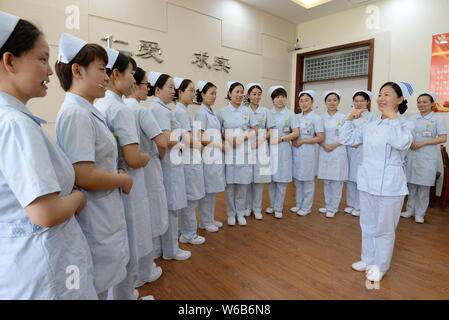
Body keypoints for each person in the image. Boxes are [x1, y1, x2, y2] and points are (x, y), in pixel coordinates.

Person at [0, 13, 96, 300]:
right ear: (10, 61)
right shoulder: (14, 124)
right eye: (42, 60)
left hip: (28, 262)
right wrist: (78, 197)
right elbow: (46, 212)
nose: (50, 71)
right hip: (45, 269)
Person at [54, 34, 130, 299]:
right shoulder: (76, 114)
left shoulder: (87, 110)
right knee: (95, 283)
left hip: (103, 210)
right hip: (94, 215)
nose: (107, 78)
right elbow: (83, 174)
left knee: (103, 280)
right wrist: (122, 179)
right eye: (101, 70)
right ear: (77, 70)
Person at [340, 81, 414, 282]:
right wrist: (349, 119)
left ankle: (380, 266)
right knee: (368, 224)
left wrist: (393, 118)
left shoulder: (406, 124)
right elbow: (348, 140)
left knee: (385, 229)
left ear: (399, 100)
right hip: (367, 181)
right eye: (380, 94)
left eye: (387, 94)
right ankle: (368, 259)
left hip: (390, 185)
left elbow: (401, 143)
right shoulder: (370, 124)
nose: (381, 98)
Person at [94, 53, 153, 300]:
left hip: (112, 188)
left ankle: (122, 294)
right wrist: (147, 156)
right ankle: (126, 296)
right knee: (130, 245)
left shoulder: (100, 104)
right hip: (127, 185)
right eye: (131, 73)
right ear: (116, 74)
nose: (133, 79)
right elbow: (133, 158)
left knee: (119, 249)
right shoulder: (120, 109)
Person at [124, 66, 166, 287]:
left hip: (129, 173)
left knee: (136, 220)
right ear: (135, 85)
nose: (147, 89)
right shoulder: (142, 111)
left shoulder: (121, 108)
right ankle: (146, 270)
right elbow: (161, 142)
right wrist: (159, 157)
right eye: (146, 84)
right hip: (145, 166)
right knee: (148, 216)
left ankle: (138, 271)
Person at [148, 71, 190, 260]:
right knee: (172, 208)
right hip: (169, 164)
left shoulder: (160, 108)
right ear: (157, 89)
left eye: (174, 87)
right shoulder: (160, 109)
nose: (174, 91)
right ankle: (172, 250)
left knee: (169, 207)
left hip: (170, 163)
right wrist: (180, 143)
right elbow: (165, 137)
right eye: (170, 87)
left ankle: (165, 248)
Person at [402, 92, 447, 223]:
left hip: (427, 157)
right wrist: (410, 143)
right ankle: (410, 210)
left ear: (432, 104)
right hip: (412, 155)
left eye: (425, 102)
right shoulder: (412, 119)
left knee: (423, 187)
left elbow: (443, 137)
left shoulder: (437, 119)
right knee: (411, 185)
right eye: (419, 102)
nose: (421, 104)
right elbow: (406, 134)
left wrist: (423, 142)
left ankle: (420, 213)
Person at [218, 81, 258, 226]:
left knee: (243, 185)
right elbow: (218, 131)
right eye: (237, 92)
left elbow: (256, 129)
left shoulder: (247, 111)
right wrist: (226, 137)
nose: (240, 95)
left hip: (244, 151)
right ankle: (230, 213)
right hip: (229, 151)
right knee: (229, 185)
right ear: (229, 93)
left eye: (242, 92)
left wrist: (244, 137)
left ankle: (240, 213)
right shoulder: (222, 112)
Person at [173, 77, 206, 244]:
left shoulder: (183, 110)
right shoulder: (180, 111)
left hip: (189, 159)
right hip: (188, 160)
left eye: (194, 90)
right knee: (190, 198)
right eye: (191, 90)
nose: (194, 94)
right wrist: (201, 146)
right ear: (180, 92)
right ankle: (189, 234)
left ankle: (184, 231)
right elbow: (188, 138)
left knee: (189, 197)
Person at [195, 80, 226, 232]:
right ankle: (204, 222)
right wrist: (218, 145)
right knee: (207, 190)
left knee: (213, 188)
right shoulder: (201, 113)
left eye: (215, 94)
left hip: (215, 155)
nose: (214, 96)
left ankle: (210, 218)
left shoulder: (210, 111)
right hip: (208, 155)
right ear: (202, 94)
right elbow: (200, 136)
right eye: (211, 93)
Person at [265, 86, 299, 218]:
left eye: (282, 96)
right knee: (271, 180)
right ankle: (272, 205)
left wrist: (282, 139)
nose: (280, 99)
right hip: (269, 150)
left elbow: (296, 132)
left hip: (283, 149)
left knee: (282, 181)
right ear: (272, 99)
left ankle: (278, 208)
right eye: (277, 97)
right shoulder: (268, 113)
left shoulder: (290, 114)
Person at [344, 90, 378, 217]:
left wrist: (360, 142)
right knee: (351, 178)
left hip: (364, 151)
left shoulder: (373, 117)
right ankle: (351, 203)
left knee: (361, 179)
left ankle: (359, 205)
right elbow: (344, 131)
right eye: (356, 101)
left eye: (362, 101)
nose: (359, 103)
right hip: (351, 150)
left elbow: (374, 134)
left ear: (368, 102)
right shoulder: (349, 116)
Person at [290, 90, 324, 216]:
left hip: (308, 153)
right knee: (298, 181)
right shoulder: (296, 117)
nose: (304, 103)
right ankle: (299, 204)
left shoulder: (316, 118)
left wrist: (303, 141)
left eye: (306, 100)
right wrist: (294, 140)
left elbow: (320, 137)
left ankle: (307, 206)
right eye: (301, 101)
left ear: (312, 102)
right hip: (296, 151)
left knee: (308, 181)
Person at [317, 90, 348, 218]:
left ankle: (333, 207)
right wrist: (324, 145)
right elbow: (318, 134)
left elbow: (346, 135)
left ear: (338, 102)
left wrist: (333, 145)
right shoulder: (321, 118)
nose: (332, 102)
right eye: (329, 100)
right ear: (325, 102)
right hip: (325, 151)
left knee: (337, 181)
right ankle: (327, 204)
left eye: (334, 100)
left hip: (338, 151)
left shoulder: (344, 117)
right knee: (327, 181)